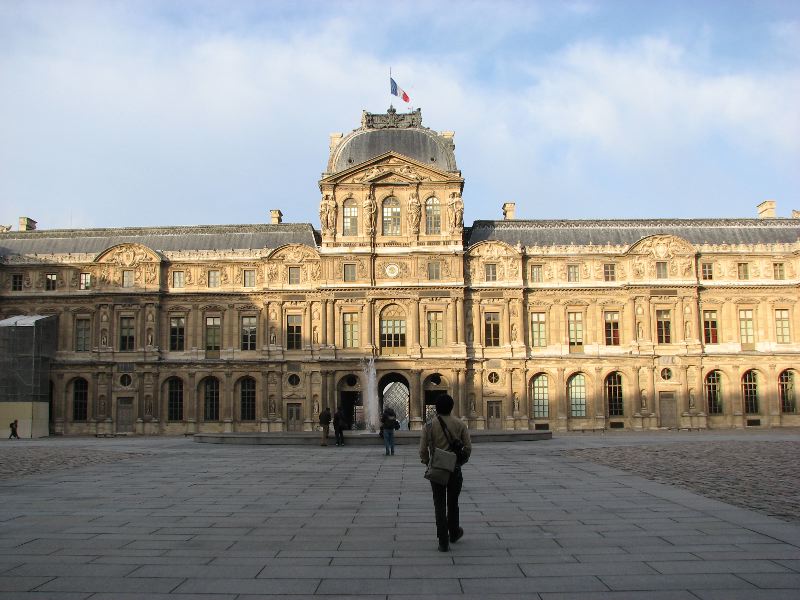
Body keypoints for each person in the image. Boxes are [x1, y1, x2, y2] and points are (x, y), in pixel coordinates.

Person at [419, 394, 471, 552]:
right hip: (454, 470)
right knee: (453, 503)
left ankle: (443, 541)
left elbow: (422, 451)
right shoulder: (460, 424)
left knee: (439, 505)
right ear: (452, 407)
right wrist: (460, 462)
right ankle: (454, 533)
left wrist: (428, 462)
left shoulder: (428, 426)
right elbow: (468, 448)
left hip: (437, 470)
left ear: (436, 408)